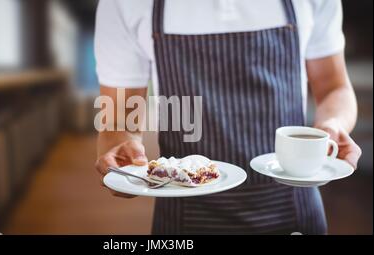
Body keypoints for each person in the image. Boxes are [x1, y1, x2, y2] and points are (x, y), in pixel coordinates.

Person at [94, 0, 362, 234]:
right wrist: (121, 150)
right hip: (183, 215)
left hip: (293, 212)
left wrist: (332, 125)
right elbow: (118, 117)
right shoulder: (124, 3)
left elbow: (333, 87)